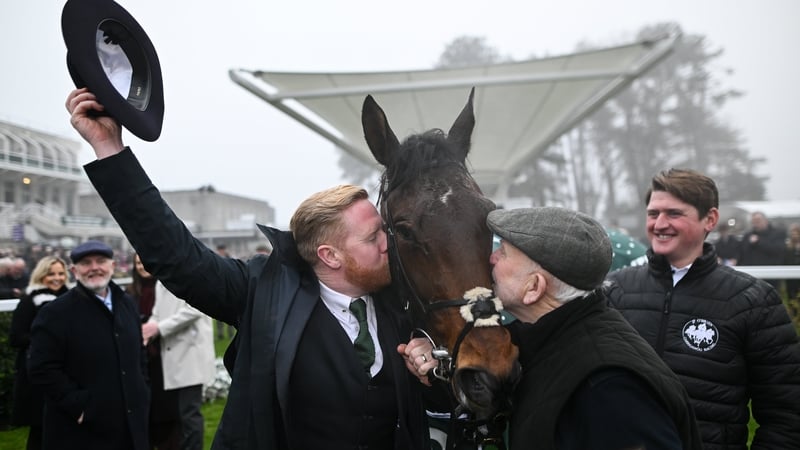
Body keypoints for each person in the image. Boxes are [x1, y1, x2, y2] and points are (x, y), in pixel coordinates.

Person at [65, 87, 428, 450]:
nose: (388, 243)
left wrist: (431, 369)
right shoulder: (262, 291)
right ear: (330, 255)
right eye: (373, 237)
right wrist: (108, 147)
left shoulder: (404, 297)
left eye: (386, 230)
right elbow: (176, 256)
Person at [606, 169, 800, 450]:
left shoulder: (753, 300)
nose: (659, 224)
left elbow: (786, 414)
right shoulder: (614, 291)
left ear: (710, 219)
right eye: (653, 214)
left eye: (674, 213)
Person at [483, 206, 701, 449]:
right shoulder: (553, 343)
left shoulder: (609, 388)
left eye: (503, 251)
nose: (492, 257)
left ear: (534, 288)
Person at [27, 240, 149, 450]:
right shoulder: (55, 313)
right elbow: (41, 368)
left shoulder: (127, 303)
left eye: (101, 261)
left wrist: (143, 391)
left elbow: (139, 354)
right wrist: (78, 406)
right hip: (82, 432)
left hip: (130, 428)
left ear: (112, 266)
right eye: (86, 263)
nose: (94, 267)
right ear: (74, 270)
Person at [140, 258, 216, 450]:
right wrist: (147, 328)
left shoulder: (193, 275)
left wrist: (159, 328)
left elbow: (195, 310)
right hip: (172, 355)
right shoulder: (161, 280)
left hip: (191, 355)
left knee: (189, 414)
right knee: (179, 414)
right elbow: (157, 313)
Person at [9, 256, 69, 450]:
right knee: (39, 431)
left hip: (66, 374)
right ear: (41, 275)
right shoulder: (29, 301)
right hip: (36, 377)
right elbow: (16, 337)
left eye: (61, 273)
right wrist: (47, 341)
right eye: (51, 274)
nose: (56, 278)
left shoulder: (72, 299)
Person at [129, 253, 181, 449]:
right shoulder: (130, 292)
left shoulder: (165, 287)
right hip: (141, 354)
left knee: (165, 408)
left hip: (163, 351)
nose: (142, 266)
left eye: (145, 261)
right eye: (138, 263)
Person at [784, 222, 800, 299]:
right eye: (792, 233)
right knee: (791, 296)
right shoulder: (787, 246)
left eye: (796, 233)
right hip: (790, 277)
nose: (794, 235)